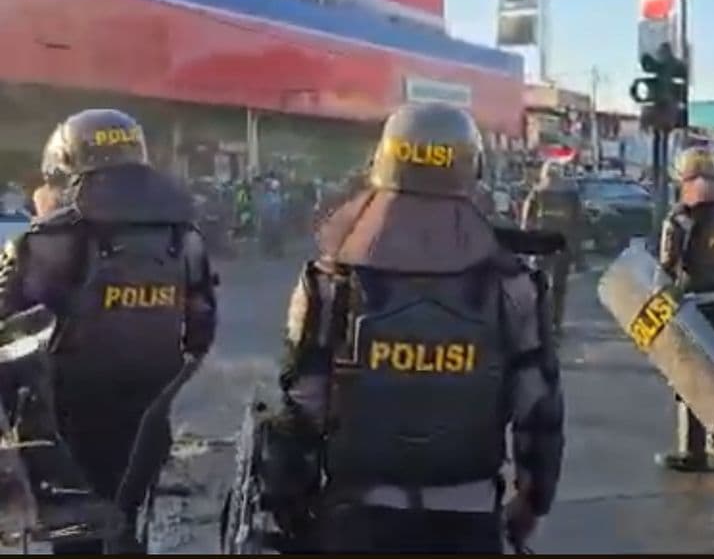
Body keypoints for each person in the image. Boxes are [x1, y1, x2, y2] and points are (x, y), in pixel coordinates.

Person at [262, 103, 564, 553]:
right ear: (472, 168)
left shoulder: (331, 280)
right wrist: (532, 503)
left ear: (383, 163)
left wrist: (289, 507)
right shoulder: (513, 284)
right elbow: (537, 408)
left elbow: (301, 405)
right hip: (470, 522)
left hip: (354, 520)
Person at [0, 108, 217, 552]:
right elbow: (201, 331)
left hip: (64, 421)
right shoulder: (185, 238)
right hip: (150, 413)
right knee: (126, 522)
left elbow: (7, 333)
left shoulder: (42, 242)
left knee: (76, 536)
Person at [659, 147, 714, 468]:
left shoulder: (683, 214)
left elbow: (667, 265)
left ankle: (692, 451)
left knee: (690, 375)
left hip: (693, 303)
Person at [520, 161, 583, 336]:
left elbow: (527, 221)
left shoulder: (538, 192)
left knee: (540, 286)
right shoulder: (571, 194)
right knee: (559, 287)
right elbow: (578, 223)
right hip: (562, 245)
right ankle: (556, 322)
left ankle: (541, 321)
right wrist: (577, 250)